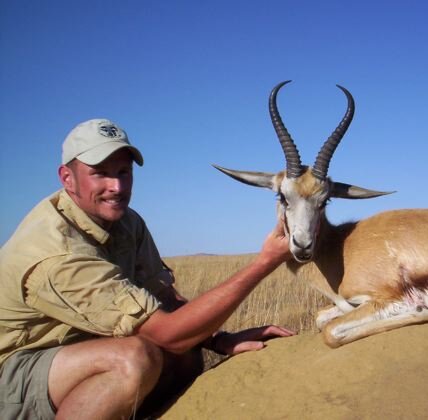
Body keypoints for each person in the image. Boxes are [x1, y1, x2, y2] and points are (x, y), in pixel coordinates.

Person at [0, 119, 295, 419]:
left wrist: (217, 339)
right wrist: (265, 262)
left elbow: (164, 296)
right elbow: (168, 334)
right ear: (67, 178)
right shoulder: (58, 252)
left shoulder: (127, 222)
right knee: (133, 360)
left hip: (80, 351)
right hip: (15, 371)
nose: (116, 187)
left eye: (123, 172)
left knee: (187, 355)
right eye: (100, 173)